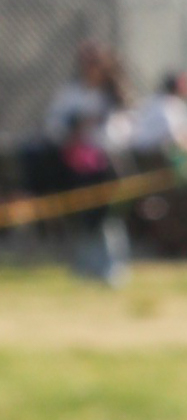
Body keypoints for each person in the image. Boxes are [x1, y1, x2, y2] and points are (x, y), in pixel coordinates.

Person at [43, 39, 134, 283]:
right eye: (87, 62)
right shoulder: (70, 94)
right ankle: (84, 270)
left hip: (108, 166)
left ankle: (111, 269)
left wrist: (96, 130)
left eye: (96, 62)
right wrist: (74, 131)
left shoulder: (116, 96)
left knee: (107, 217)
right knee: (81, 217)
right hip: (75, 167)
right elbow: (53, 127)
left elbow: (124, 133)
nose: (91, 67)